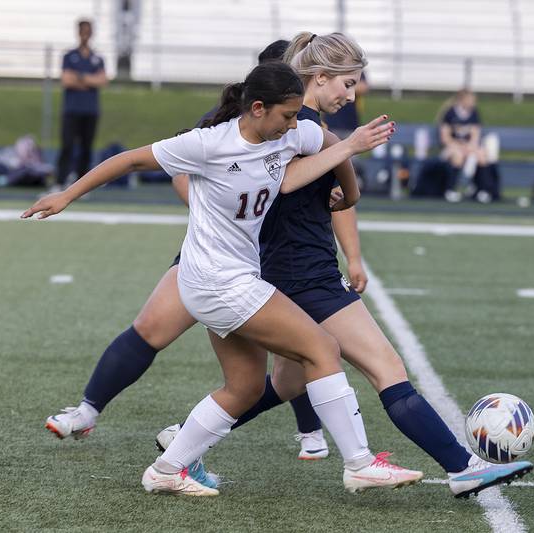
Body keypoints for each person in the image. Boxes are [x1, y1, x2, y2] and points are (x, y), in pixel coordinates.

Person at [158, 32, 534, 499]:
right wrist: (346, 159)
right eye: (348, 84)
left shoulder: (293, 122)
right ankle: (461, 467)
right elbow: (286, 182)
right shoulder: (298, 126)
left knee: (285, 381)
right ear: (320, 78)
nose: (352, 95)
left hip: (282, 265)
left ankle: (185, 440)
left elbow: (306, 187)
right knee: (386, 367)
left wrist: (342, 181)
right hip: (303, 269)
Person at [23, 61, 405, 496]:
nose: (293, 125)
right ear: (257, 108)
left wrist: (350, 165)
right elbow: (130, 160)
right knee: (322, 348)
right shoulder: (208, 145)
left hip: (234, 278)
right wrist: (66, 195)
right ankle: (358, 463)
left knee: (242, 388)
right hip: (215, 281)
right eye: (285, 116)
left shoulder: (292, 131)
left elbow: (331, 143)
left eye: (298, 114)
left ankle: (167, 470)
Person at [53, 19, 107, 192]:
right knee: (67, 145)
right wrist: (90, 80)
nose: (85, 34)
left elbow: (102, 80)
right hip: (72, 109)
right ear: (78, 32)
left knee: (86, 148)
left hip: (90, 110)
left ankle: (81, 187)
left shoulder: (97, 58)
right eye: (83, 30)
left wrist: (81, 77)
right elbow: (67, 80)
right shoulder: (69, 56)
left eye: (88, 30)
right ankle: (59, 182)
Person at [439, 89, 496, 203]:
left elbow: (475, 135)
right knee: (458, 156)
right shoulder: (450, 113)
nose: (473, 102)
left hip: (468, 147)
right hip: (452, 147)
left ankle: (482, 191)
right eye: (471, 100)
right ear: (462, 100)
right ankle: (451, 190)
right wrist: (459, 146)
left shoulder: (474, 113)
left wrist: (469, 147)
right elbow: (445, 138)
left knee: (481, 155)